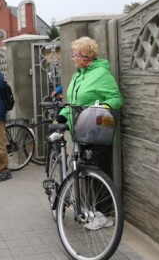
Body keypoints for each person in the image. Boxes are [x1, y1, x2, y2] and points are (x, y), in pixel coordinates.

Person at [57, 36, 123, 230]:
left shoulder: (101, 74)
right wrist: (62, 116)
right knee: (86, 173)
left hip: (98, 132)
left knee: (99, 173)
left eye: (75, 54)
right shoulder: (80, 74)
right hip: (81, 130)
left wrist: (99, 109)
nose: (72, 58)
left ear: (85, 57)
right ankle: (96, 211)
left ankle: (105, 215)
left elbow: (116, 98)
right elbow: (75, 103)